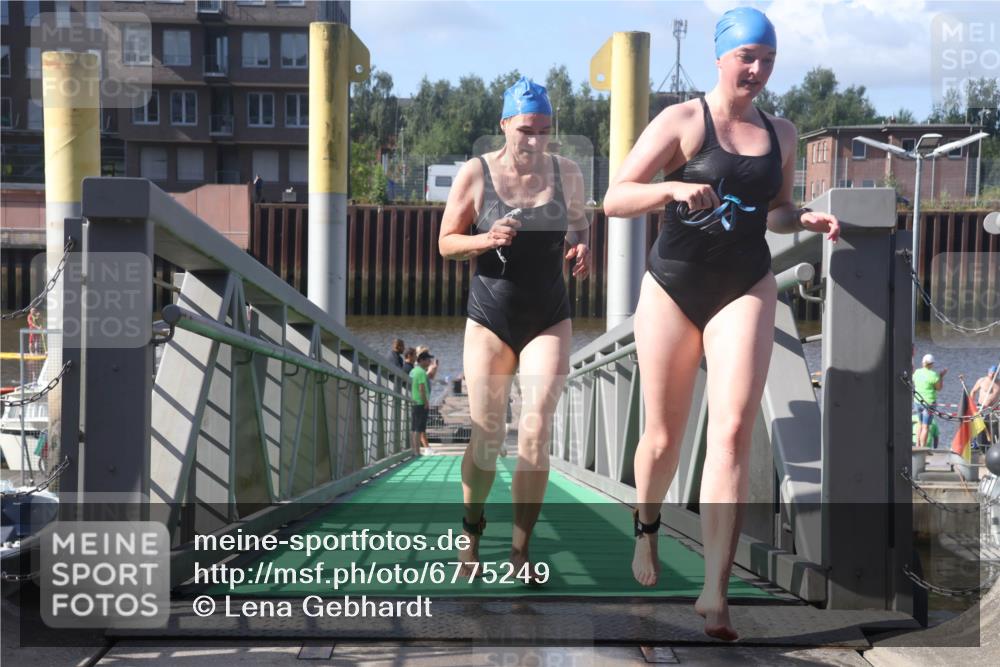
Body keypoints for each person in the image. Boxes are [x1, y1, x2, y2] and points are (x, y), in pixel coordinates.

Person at [603, 7, 840, 641]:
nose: (758, 70)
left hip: (745, 284)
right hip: (673, 287)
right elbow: (615, 197)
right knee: (662, 438)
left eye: (767, 59)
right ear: (721, 57)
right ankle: (647, 530)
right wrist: (671, 191)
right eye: (747, 57)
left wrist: (805, 218)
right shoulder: (684, 120)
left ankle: (715, 589)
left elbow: (777, 210)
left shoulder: (783, 132)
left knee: (732, 429)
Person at [438, 76, 590, 582]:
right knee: (485, 439)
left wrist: (580, 245)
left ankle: (521, 554)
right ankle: (471, 537)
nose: (536, 139)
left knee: (535, 432)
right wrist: (484, 240)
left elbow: (578, 223)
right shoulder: (475, 173)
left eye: (545, 130)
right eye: (526, 129)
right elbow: (445, 243)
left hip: (548, 313)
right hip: (490, 317)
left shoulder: (566, 172)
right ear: (505, 124)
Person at [912, 353, 947, 449]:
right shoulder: (934, 375)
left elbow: (914, 381)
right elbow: (939, 388)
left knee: (920, 423)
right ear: (931, 364)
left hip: (917, 402)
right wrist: (941, 376)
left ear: (923, 363)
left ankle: (918, 445)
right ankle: (923, 448)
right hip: (929, 403)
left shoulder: (917, 372)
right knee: (925, 426)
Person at [410, 351, 434, 455]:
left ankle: (414, 450)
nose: (430, 362)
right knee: (419, 428)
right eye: (428, 360)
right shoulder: (421, 372)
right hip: (420, 402)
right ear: (422, 360)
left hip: (414, 401)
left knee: (414, 427)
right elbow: (421, 389)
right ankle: (417, 452)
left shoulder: (413, 371)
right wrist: (426, 402)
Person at [970, 365, 999, 446]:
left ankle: (992, 444)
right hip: (981, 407)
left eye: (996, 374)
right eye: (992, 373)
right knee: (979, 426)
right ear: (988, 372)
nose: (993, 375)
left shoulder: (999, 383)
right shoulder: (982, 381)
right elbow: (973, 392)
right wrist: (972, 406)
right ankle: (975, 443)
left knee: (993, 427)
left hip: (994, 409)